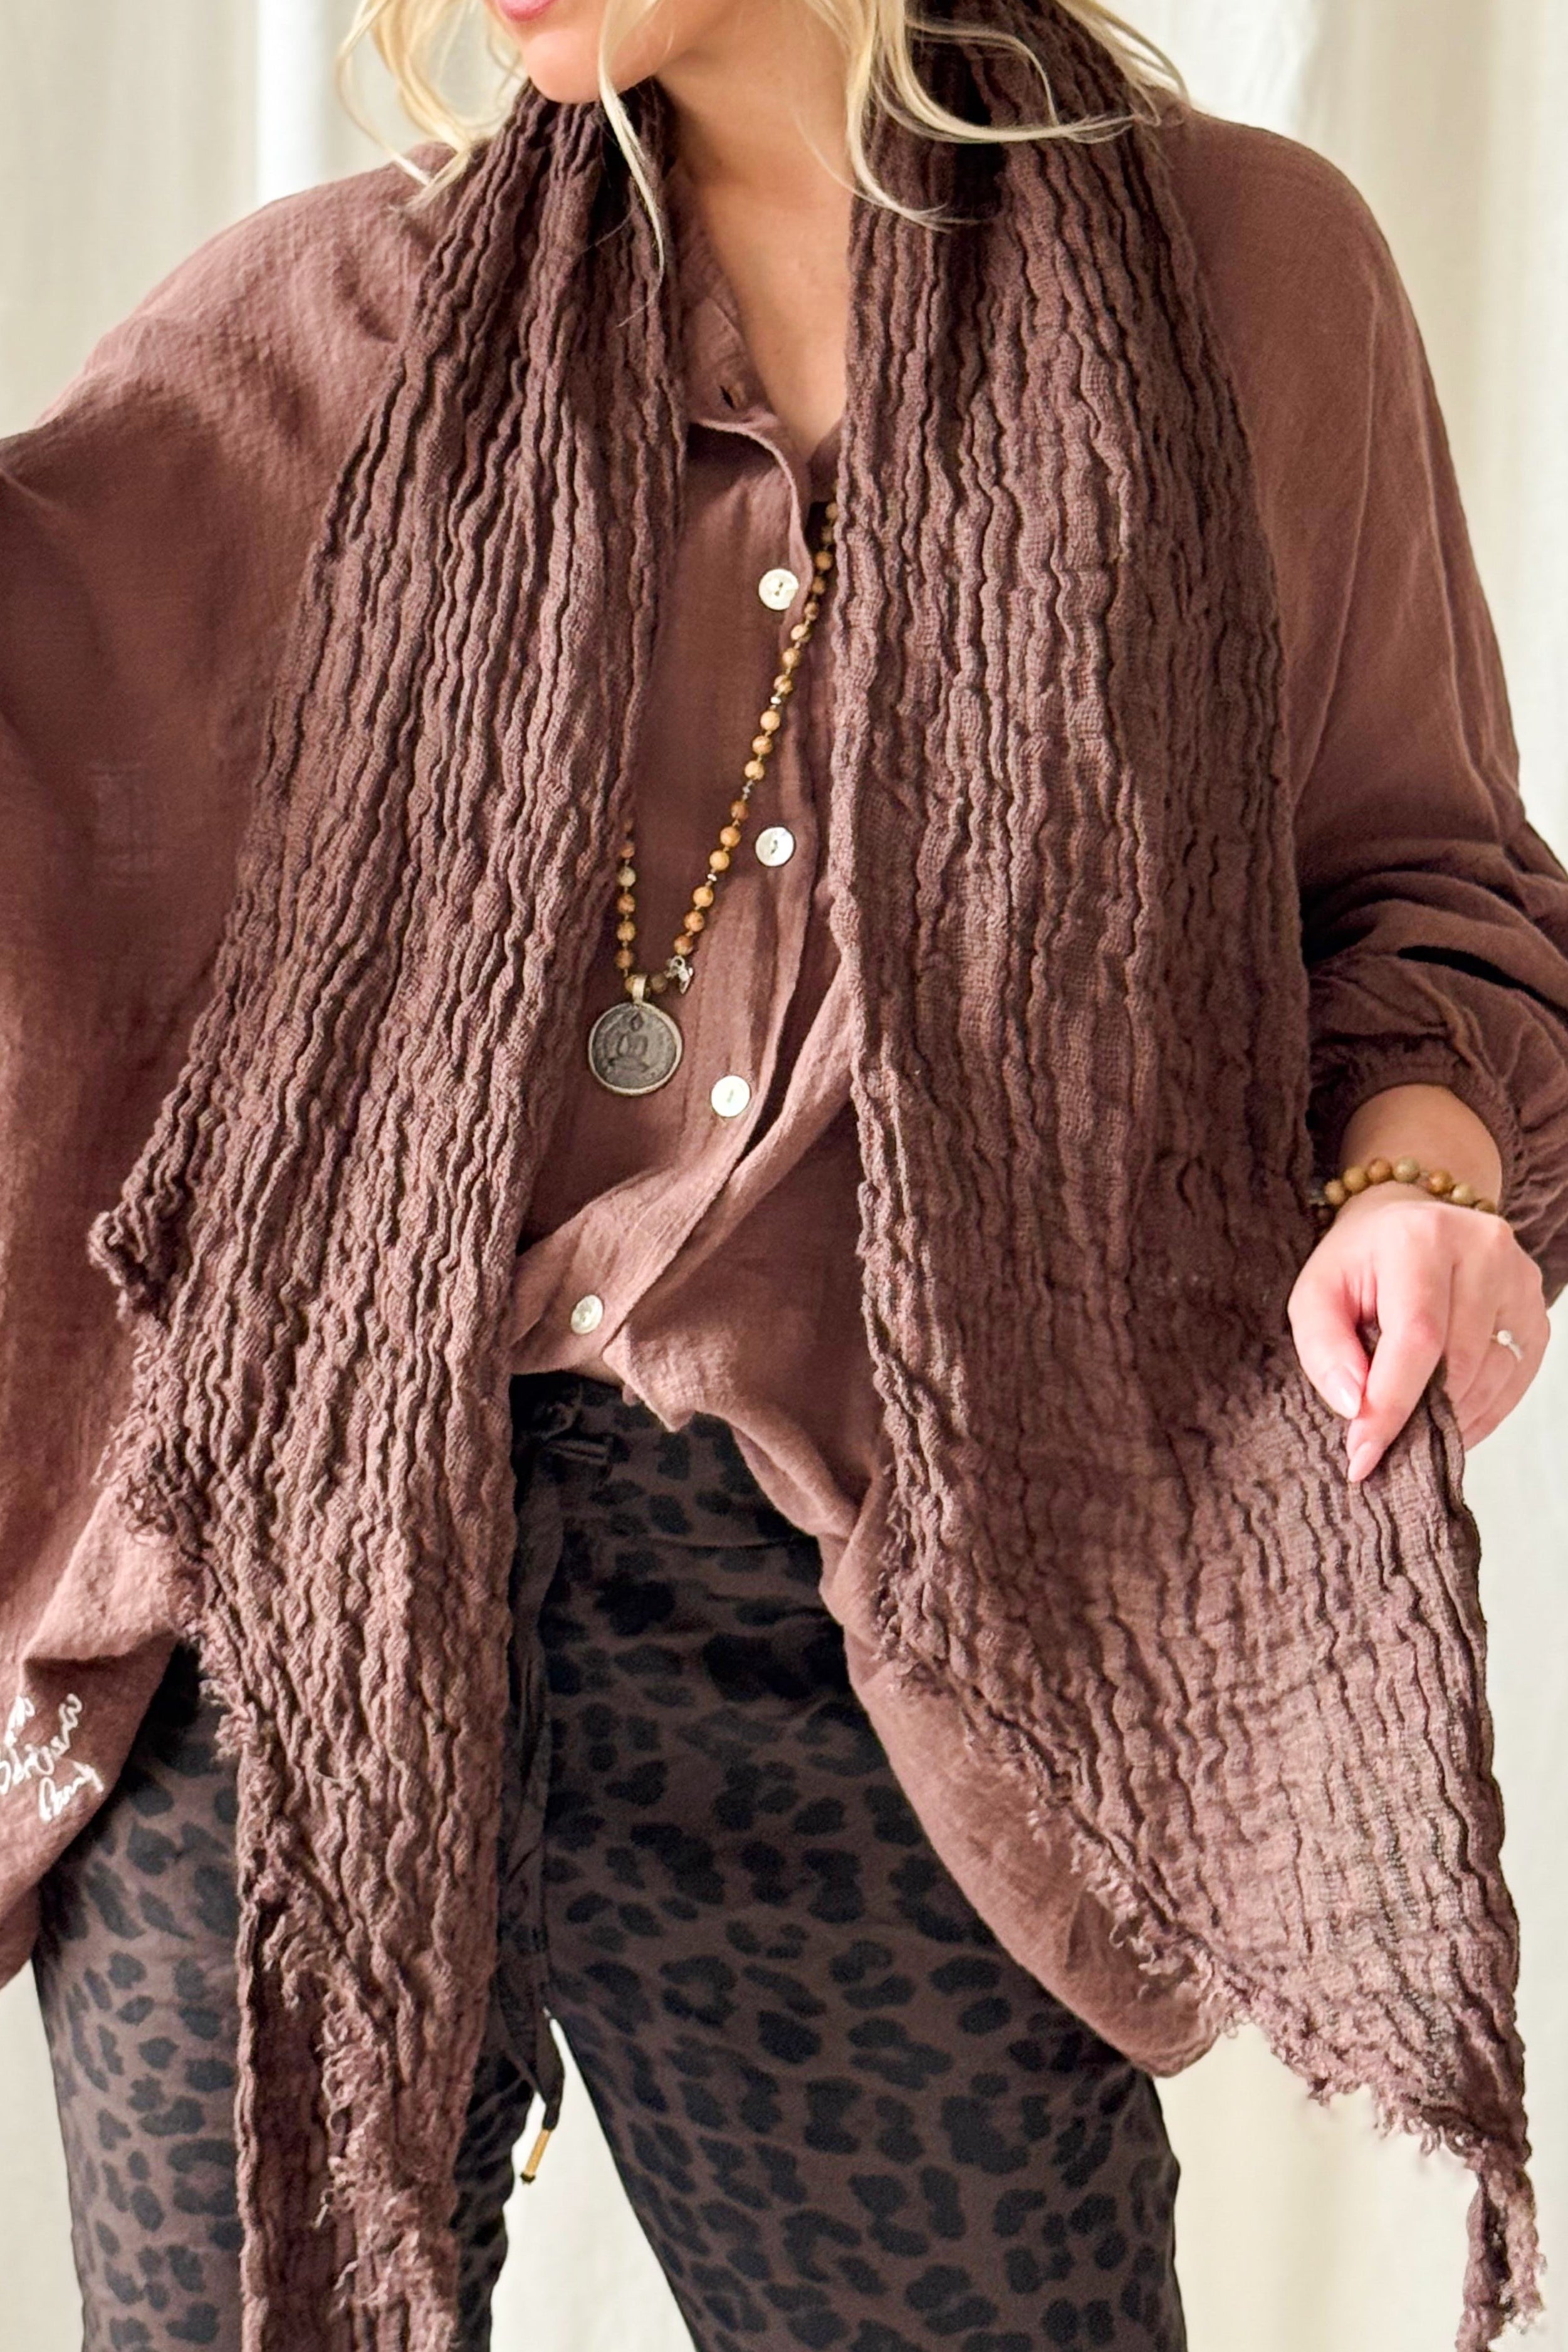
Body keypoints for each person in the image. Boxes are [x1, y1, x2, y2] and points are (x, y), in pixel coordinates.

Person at [3, 3, 1566, 2349]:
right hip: (308, 1594)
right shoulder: (324, 323)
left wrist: (1416, 1181)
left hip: (888, 1615)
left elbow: (1420, 893)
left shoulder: (1252, 280)